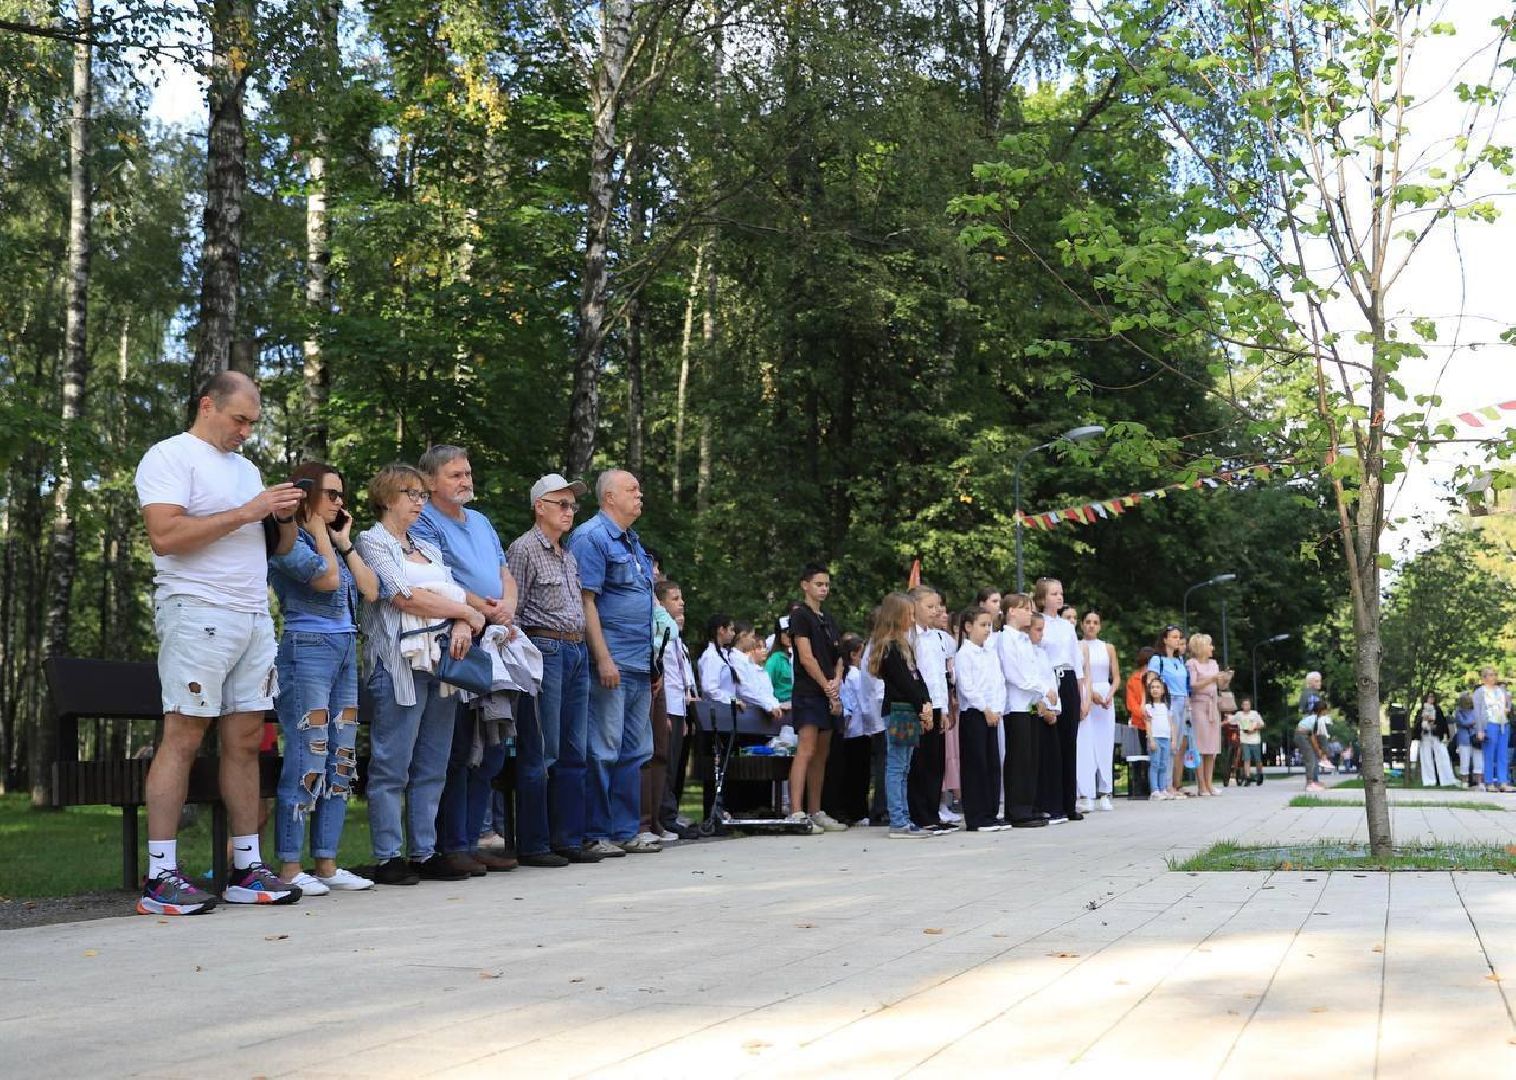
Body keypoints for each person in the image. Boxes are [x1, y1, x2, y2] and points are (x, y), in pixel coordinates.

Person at [133, 371, 307, 915]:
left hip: (253, 613)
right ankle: (161, 875)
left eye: (253, 423)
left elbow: (277, 549)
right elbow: (165, 536)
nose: (247, 431)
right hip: (197, 609)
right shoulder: (169, 456)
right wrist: (248, 511)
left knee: (246, 737)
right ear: (207, 406)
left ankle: (245, 868)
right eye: (239, 420)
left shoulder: (246, 468)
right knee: (184, 734)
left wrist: (283, 519)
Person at [356, 463, 484, 885]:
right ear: (387, 497)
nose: (419, 502)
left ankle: (424, 852)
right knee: (393, 763)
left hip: (443, 662)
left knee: (433, 763)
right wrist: (464, 611)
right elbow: (402, 596)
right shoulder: (371, 542)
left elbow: (450, 592)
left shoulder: (427, 546)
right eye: (411, 493)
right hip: (399, 663)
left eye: (422, 495)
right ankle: (388, 854)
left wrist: (465, 621)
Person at [267, 462, 380, 895]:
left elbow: (369, 591)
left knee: (341, 757)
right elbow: (328, 580)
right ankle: (292, 867)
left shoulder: (331, 543)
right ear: (307, 496)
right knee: (307, 753)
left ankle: (328, 864)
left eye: (341, 495)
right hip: (306, 649)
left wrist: (344, 540)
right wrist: (315, 527)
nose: (339, 502)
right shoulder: (287, 541)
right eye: (330, 495)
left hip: (343, 650)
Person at [409, 447, 519, 874]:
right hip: (455, 638)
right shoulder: (426, 522)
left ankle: (473, 840)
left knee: (491, 746)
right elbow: (443, 581)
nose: (465, 480)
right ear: (431, 482)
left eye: (467, 472)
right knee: (457, 748)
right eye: (455, 474)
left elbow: (503, 572)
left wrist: (506, 606)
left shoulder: (483, 522)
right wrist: (481, 610)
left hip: (495, 637)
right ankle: (449, 844)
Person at [506, 472, 604, 868]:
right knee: (541, 749)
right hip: (544, 648)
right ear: (539, 507)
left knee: (573, 750)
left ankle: (567, 836)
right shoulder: (523, 549)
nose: (569, 512)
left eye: (572, 505)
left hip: (575, 650)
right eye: (561, 504)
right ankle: (534, 842)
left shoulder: (568, 555)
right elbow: (512, 608)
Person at [569, 469, 660, 854]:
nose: (640, 495)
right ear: (609, 497)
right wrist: (603, 658)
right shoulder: (591, 538)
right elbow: (586, 601)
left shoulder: (633, 542)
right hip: (612, 663)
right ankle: (596, 832)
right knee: (602, 748)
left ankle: (626, 830)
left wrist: (652, 662)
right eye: (632, 489)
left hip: (639, 663)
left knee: (635, 750)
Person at [786, 564, 846, 833]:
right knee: (806, 750)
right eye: (819, 584)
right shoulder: (800, 616)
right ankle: (796, 811)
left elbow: (840, 656)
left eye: (826, 585)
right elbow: (806, 657)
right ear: (805, 585)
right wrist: (825, 685)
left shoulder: (829, 620)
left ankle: (816, 810)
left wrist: (837, 679)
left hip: (827, 692)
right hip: (809, 692)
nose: (824, 589)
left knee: (822, 754)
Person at [868, 593, 934, 839]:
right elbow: (904, 683)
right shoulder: (890, 647)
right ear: (896, 616)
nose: (912, 618)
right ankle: (898, 821)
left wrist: (927, 702)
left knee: (905, 766)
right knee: (896, 767)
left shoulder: (905, 644)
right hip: (899, 711)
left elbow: (918, 677)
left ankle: (904, 817)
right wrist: (921, 705)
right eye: (909, 614)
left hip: (910, 710)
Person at [995, 593, 1049, 828]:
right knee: (1018, 758)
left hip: (1029, 703)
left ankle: (1029, 805)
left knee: (1030, 758)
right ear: (1011, 612)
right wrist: (1039, 688)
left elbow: (1033, 669)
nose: (1030, 612)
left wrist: (1039, 695)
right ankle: (1016, 810)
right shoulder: (1006, 639)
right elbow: (1014, 673)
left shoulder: (1024, 639)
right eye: (1025, 609)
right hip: (1016, 705)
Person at [653, 579, 699, 840]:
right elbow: (663, 672)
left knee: (674, 765)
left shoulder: (677, 640)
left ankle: (670, 813)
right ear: (660, 603)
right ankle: (663, 817)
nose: (681, 602)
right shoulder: (660, 635)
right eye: (675, 598)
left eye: (681, 598)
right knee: (664, 762)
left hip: (679, 707)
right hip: (666, 704)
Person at [1034, 578, 1081, 823]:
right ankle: (1051, 803)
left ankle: (1069, 802)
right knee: (1051, 743)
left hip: (1068, 678)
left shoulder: (1066, 626)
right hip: (1050, 678)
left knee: (1069, 741)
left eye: (1061, 593)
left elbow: (1075, 658)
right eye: (1054, 594)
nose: (1059, 598)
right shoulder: (1039, 625)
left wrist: (1081, 693)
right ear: (1042, 598)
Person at [907, 585, 953, 832]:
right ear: (914, 607)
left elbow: (939, 676)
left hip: (936, 705)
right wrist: (922, 705)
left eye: (937, 606)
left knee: (936, 762)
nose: (936, 611)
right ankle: (919, 815)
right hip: (919, 706)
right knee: (919, 763)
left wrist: (943, 709)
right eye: (930, 606)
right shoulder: (909, 637)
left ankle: (933, 813)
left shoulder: (936, 637)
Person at [954, 607, 1004, 832]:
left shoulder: (990, 653)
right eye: (983, 625)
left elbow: (998, 682)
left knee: (992, 763)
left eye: (989, 626)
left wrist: (997, 708)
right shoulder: (964, 654)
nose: (987, 630)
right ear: (968, 627)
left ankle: (991, 812)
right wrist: (985, 708)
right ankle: (976, 816)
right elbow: (967, 687)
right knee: (976, 765)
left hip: (993, 713)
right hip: (975, 713)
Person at [823, 634, 874, 825]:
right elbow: (861, 702)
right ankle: (858, 812)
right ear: (854, 655)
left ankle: (852, 810)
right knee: (858, 774)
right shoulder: (854, 675)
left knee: (850, 773)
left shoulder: (847, 675)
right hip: (858, 729)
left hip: (852, 730)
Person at [1076, 610, 1120, 813]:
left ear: (1100, 626)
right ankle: (1085, 791)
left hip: (1104, 696)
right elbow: (1081, 674)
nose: (1091, 625)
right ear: (1082, 625)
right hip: (1086, 694)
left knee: (1104, 743)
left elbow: (1116, 676)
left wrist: (1110, 694)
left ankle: (1105, 791)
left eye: (1095, 622)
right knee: (1085, 744)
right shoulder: (1077, 645)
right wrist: (1090, 693)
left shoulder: (1108, 647)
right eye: (1088, 622)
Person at [1148, 626, 1190, 798]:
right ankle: (1165, 786)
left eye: (1178, 637)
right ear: (1165, 640)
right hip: (1169, 701)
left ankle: (1171, 784)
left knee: (1177, 744)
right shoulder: (1158, 660)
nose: (1177, 640)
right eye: (1173, 637)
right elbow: (1151, 681)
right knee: (1169, 743)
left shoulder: (1180, 661)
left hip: (1182, 702)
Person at [1186, 633, 1228, 797]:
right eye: (1210, 645)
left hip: (1213, 705)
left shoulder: (1214, 663)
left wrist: (1225, 679)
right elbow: (1193, 685)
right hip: (1198, 706)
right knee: (1200, 747)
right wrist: (1212, 679)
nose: (1212, 648)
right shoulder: (1192, 663)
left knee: (1212, 747)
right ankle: (1201, 785)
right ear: (1201, 647)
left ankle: (1209, 784)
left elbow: (1220, 685)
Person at [1473, 667, 1511, 792]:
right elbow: (1477, 712)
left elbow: (1508, 704)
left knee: (1503, 754)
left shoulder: (1501, 690)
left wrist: (1507, 709)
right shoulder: (1480, 692)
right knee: (1489, 754)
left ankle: (1503, 782)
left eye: (1494, 674)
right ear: (1484, 678)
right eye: (1490, 675)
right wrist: (1479, 729)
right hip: (1489, 724)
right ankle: (1489, 782)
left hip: (1503, 724)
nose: (1493, 677)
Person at [1417, 691, 1458, 788]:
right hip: (1425, 737)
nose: (1431, 698)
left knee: (1443, 756)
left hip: (1436, 736)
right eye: (1429, 697)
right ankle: (1429, 781)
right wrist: (1423, 725)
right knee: (1426, 759)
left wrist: (1436, 727)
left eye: (1433, 697)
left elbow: (1443, 724)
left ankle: (1446, 779)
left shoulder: (1438, 710)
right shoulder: (1421, 711)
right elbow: (1417, 725)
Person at [1144, 674, 1174, 800]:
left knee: (1164, 764)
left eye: (1158, 687)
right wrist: (1151, 739)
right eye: (1152, 687)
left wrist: (1174, 739)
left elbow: (1172, 724)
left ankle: (1163, 789)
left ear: (1163, 691)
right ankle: (1155, 790)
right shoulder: (1148, 707)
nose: (1155, 689)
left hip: (1166, 739)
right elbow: (1148, 724)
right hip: (1155, 738)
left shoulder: (1167, 707)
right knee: (1155, 764)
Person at [1295, 698, 1332, 792]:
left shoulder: (1315, 718)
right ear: (1322, 710)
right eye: (1325, 710)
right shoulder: (1317, 720)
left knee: (1314, 759)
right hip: (1302, 736)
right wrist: (1318, 750)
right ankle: (1309, 783)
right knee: (1310, 759)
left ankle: (1314, 781)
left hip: (1304, 735)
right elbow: (1313, 737)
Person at [1453, 691, 1483, 788]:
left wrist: (1473, 723)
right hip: (1464, 739)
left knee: (1478, 760)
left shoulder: (1476, 711)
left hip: (1476, 739)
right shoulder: (1458, 712)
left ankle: (1479, 782)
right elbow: (1463, 722)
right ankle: (1464, 782)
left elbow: (1479, 722)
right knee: (1464, 761)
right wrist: (1473, 722)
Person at [1233, 697, 1265, 786]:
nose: (1246, 706)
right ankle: (1247, 777)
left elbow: (1262, 724)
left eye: (1248, 704)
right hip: (1244, 740)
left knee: (1258, 760)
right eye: (1245, 704)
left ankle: (1260, 774)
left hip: (1255, 740)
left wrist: (1254, 729)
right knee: (1247, 759)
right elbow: (1231, 720)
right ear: (1242, 706)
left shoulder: (1254, 714)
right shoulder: (1239, 715)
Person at [765, 617, 795, 706]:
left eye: (793, 633)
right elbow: (766, 685)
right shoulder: (775, 659)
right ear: (778, 635)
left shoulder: (802, 656)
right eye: (786, 633)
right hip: (782, 704)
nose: (790, 636)